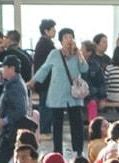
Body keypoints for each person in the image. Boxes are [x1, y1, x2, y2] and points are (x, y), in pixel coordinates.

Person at [31, 28, 89, 156]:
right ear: (61, 41)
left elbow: (85, 69)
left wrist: (79, 54)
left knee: (76, 123)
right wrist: (33, 81)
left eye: (70, 37)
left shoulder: (77, 55)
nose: (68, 39)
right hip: (57, 94)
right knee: (57, 124)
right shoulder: (54, 54)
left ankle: (78, 150)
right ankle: (57, 151)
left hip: (73, 94)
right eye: (65, 37)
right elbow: (44, 69)